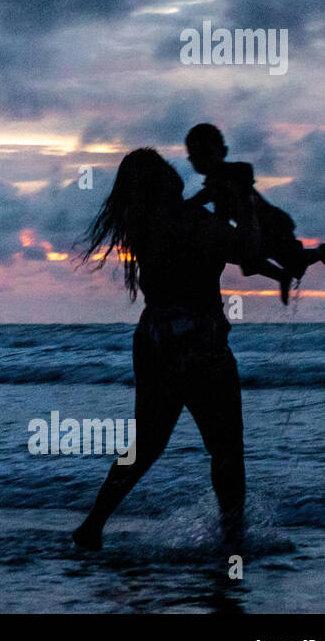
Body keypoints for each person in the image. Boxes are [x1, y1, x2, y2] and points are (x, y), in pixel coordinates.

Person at [73, 148, 259, 551]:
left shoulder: (142, 228)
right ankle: (233, 536)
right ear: (167, 185)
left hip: (155, 339)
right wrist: (242, 202)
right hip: (200, 342)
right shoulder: (195, 222)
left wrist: (207, 200)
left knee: (146, 444)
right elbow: (246, 250)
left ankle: (93, 524)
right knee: (226, 447)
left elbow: (180, 220)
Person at [185, 123, 325, 303]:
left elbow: (245, 170)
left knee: (296, 263)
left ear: (223, 152)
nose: (202, 161)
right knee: (249, 260)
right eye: (196, 157)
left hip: (272, 225)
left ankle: (320, 252)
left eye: (207, 154)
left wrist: (234, 190)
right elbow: (216, 208)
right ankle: (282, 277)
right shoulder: (214, 184)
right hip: (253, 233)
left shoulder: (230, 173)